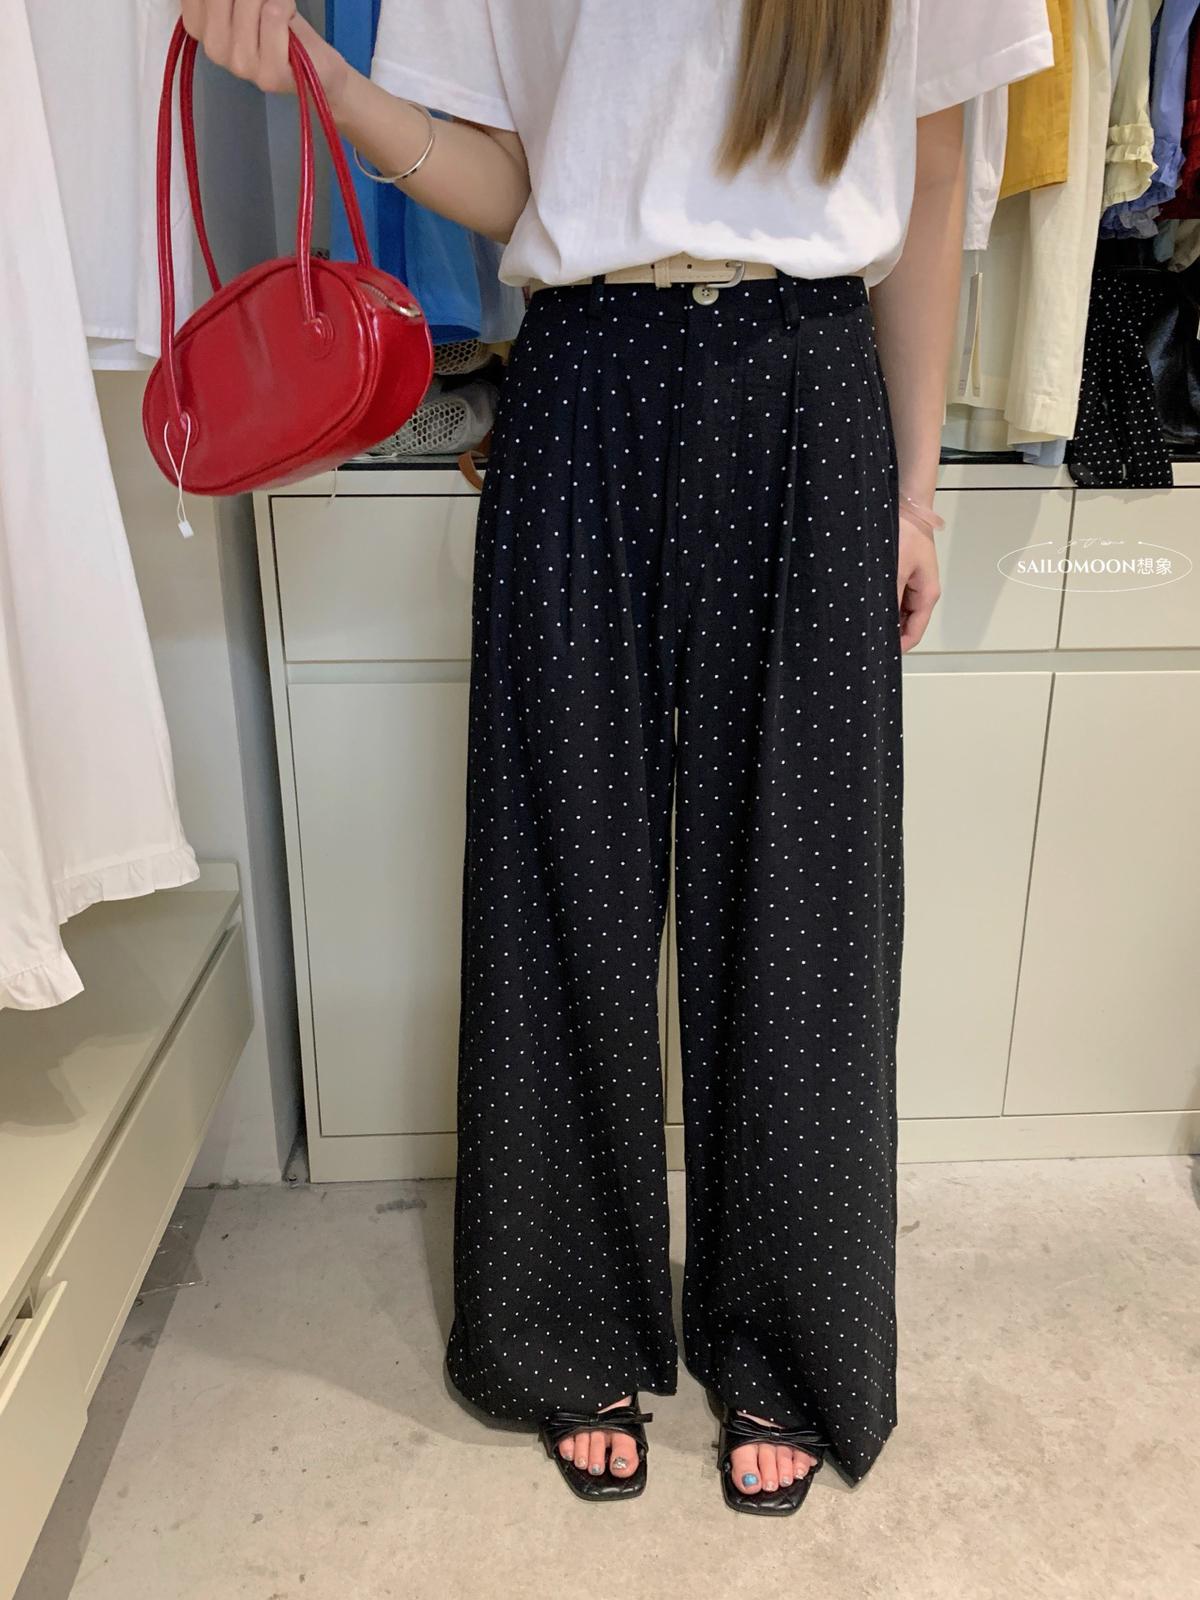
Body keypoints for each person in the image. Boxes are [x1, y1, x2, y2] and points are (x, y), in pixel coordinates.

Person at [182, 0, 1055, 1515]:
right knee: (559, 875)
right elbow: (516, 179)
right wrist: (332, 85)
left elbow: (930, 173)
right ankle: (564, 1320)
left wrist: (918, 492)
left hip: (808, 382)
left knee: (806, 895)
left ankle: (788, 1340)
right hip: (584, 375)